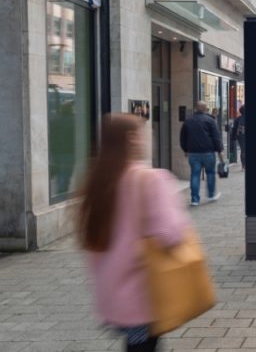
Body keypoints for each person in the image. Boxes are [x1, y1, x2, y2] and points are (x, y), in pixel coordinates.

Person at [79, 113, 190, 352]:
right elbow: (170, 234)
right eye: (143, 134)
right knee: (143, 346)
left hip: (111, 296)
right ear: (132, 139)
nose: (146, 139)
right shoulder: (149, 180)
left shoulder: (97, 182)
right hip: (143, 295)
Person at [179, 101, 224, 206]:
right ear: (205, 109)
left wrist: (185, 149)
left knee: (195, 175)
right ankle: (211, 195)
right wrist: (219, 150)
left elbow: (183, 137)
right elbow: (216, 137)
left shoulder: (188, 121)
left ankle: (195, 199)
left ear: (196, 109)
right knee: (210, 173)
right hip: (208, 152)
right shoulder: (210, 120)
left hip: (193, 153)